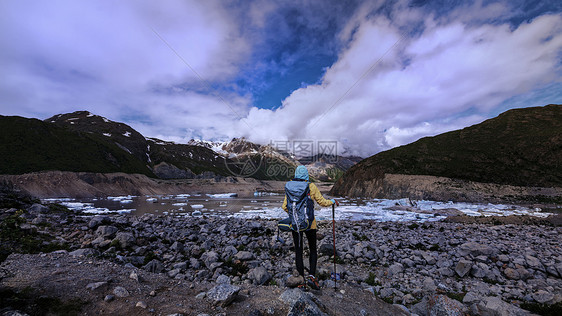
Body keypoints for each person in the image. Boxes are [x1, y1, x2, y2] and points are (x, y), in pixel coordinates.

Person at [282, 165, 338, 290]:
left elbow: (285, 206)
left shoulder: (289, 187)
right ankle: (312, 278)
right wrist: (332, 202)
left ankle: (301, 281)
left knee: (298, 251)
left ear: (296, 174)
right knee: (313, 250)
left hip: (295, 224)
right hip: (310, 224)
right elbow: (322, 202)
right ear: (306, 175)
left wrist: (295, 215)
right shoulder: (311, 186)